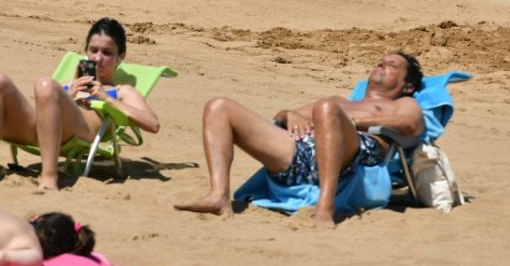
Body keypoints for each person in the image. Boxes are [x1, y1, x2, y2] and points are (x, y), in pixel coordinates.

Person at [174, 53, 425, 229]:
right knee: (219, 107)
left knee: (326, 108)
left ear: (408, 86)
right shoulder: (338, 100)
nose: (381, 64)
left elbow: (411, 125)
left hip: (355, 154)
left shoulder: (403, 103)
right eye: (380, 61)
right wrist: (289, 114)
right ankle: (219, 195)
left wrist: (352, 123)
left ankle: (324, 209)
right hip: (302, 154)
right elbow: (282, 117)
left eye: (392, 64)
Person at [0, 18, 158, 190]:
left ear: (120, 56)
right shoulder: (66, 85)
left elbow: (152, 123)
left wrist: (107, 98)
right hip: (41, 130)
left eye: (107, 53)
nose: (98, 58)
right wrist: (69, 94)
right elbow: (42, 108)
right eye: (93, 50)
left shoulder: (121, 91)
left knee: (45, 85)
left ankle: (49, 176)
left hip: (80, 133)